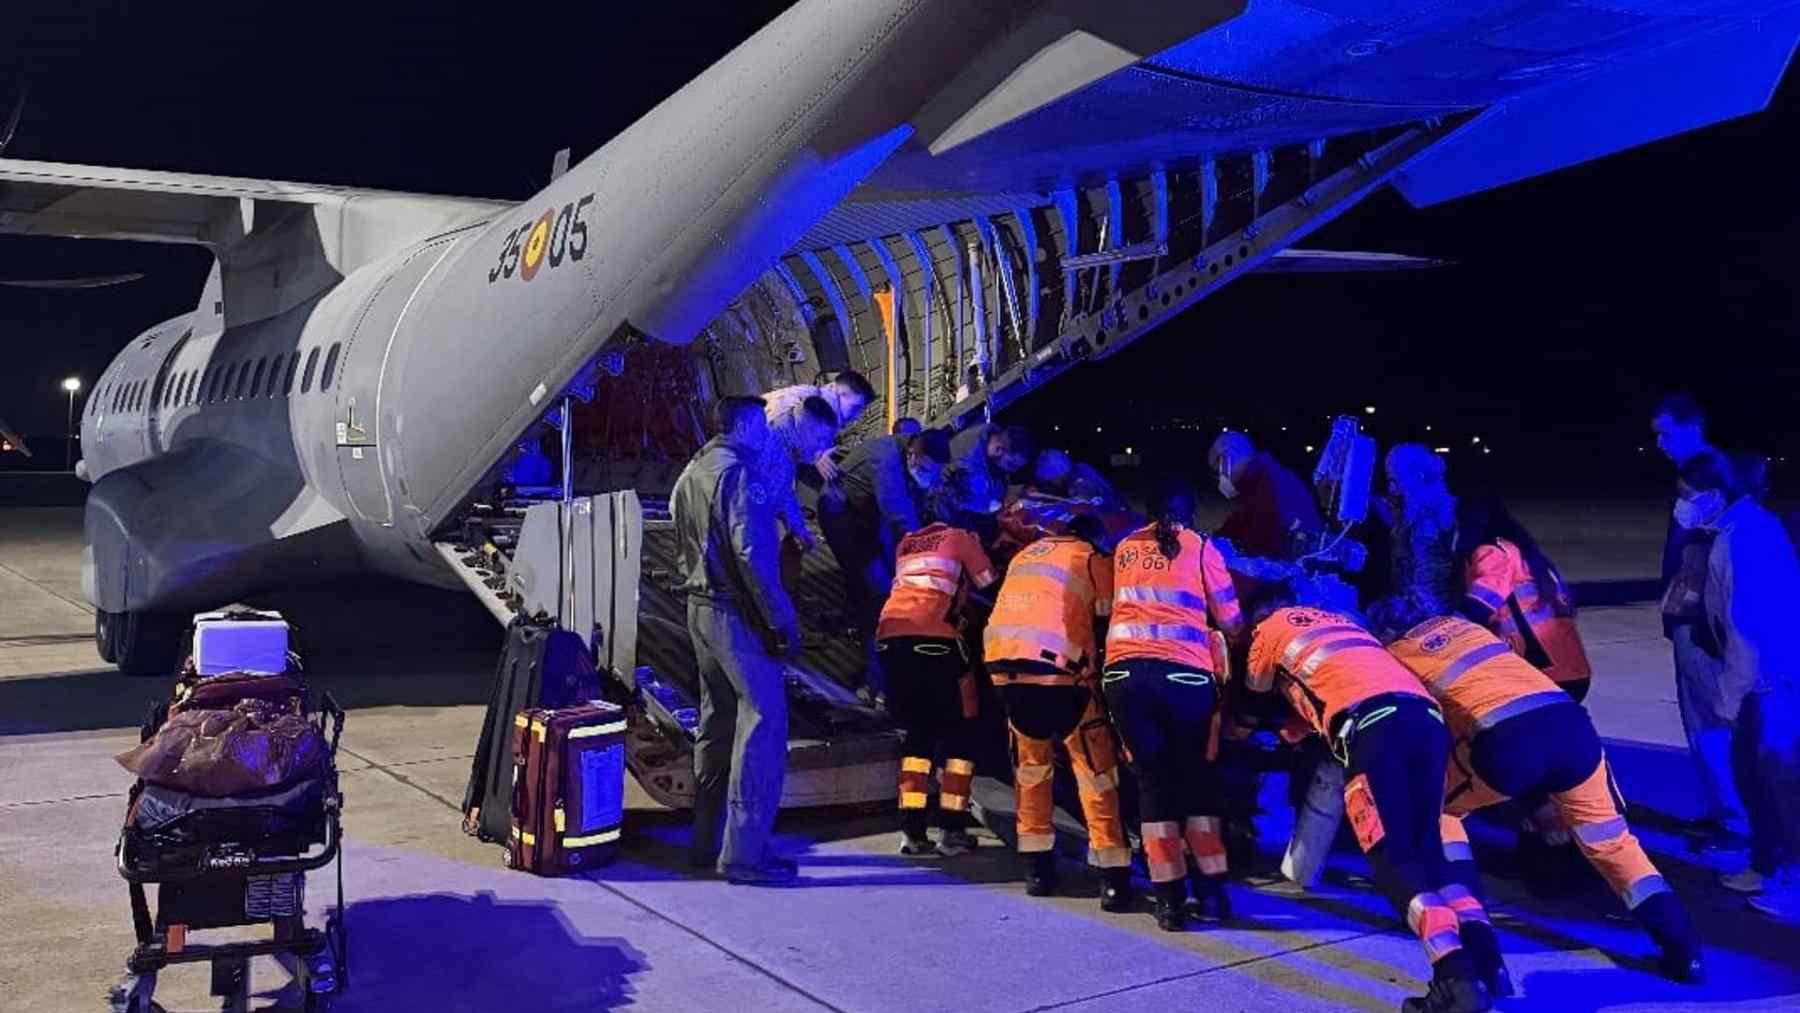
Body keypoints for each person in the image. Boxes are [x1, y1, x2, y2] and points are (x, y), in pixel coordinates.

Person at [1380, 608, 1703, 983]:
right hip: (1570, 726)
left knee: (1441, 814)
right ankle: (1685, 952)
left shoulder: (1394, 654)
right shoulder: (1465, 627)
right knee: (1614, 845)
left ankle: (1485, 961)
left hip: (1505, 740)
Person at [1246, 599, 1500, 1012]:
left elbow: (1253, 694)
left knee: (1393, 860)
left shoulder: (1270, 629)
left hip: (1373, 729)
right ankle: (1485, 963)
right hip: (1425, 721)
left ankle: (1456, 978)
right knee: (1429, 851)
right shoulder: (1345, 627)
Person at [669, 396, 803, 885]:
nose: (769, 434)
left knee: (717, 719)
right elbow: (754, 556)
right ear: (747, 424)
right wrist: (782, 619)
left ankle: (705, 842)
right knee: (763, 719)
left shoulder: (691, 472)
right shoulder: (739, 475)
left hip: (697, 609)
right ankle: (746, 855)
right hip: (733, 612)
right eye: (763, 425)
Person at [1102, 478, 1244, 931]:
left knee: (1152, 786)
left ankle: (1169, 902)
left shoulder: (1124, 547)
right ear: (1190, 514)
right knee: (1196, 781)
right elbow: (1231, 619)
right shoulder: (1201, 547)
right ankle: (1213, 891)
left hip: (1124, 677)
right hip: (1184, 676)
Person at [984, 515, 1132, 911]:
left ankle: (1037, 870)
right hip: (1063, 677)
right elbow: (1107, 618)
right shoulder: (1090, 557)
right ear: (1094, 538)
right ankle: (1113, 877)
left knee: (1031, 772)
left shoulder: (1026, 555)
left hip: (1005, 674)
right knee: (1095, 774)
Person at [1678, 453, 1800, 918]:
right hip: (1760, 681)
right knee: (1750, 775)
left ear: (1714, 493)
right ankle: (1766, 863)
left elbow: (1746, 626)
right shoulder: (1734, 531)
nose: (1682, 505)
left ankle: (1789, 876)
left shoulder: (1745, 537)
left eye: (1687, 495)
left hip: (1772, 682)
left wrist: (1729, 697)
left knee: (1777, 783)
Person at [1651, 394, 1747, 851]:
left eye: (1666, 432)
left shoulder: (1707, 475)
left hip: (1701, 622)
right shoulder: (1703, 473)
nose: (1660, 442)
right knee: (1705, 722)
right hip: (1690, 616)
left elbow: (1707, 560)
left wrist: (1695, 617)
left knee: (1710, 721)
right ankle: (1725, 810)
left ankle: (1735, 820)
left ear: (1693, 427)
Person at [875, 515, 1000, 857]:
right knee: (960, 739)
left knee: (917, 742)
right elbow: (990, 583)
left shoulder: (907, 542)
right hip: (937, 643)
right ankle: (952, 831)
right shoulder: (962, 536)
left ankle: (911, 832)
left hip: (891, 641)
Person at [817, 428, 951, 697]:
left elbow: (922, 500)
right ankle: (877, 682)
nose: (929, 476)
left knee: (882, 575)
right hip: (840, 513)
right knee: (874, 592)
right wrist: (927, 552)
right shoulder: (887, 461)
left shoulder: (913, 458)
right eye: (926, 469)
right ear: (913, 455)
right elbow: (898, 513)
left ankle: (858, 614)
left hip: (867, 513)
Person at [1455, 496, 1594, 702]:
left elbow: (1479, 606)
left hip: (1541, 673)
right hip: (1573, 670)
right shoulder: (1529, 555)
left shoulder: (1494, 552)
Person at [1371, 444, 1460, 620]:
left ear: (1418, 476)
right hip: (1413, 612)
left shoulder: (1448, 517)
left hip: (1440, 617)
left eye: (1395, 480)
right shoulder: (1406, 515)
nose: (1391, 489)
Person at [1209, 431, 1323, 563]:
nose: (1222, 478)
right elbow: (1244, 517)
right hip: (1290, 550)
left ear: (1229, 461)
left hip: (1298, 557)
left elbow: (1263, 532)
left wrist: (1232, 549)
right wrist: (1219, 536)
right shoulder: (1257, 476)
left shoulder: (1267, 478)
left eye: (1220, 471)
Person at [756, 395, 840, 552]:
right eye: (820, 439)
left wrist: (799, 529)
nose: (822, 449)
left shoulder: (786, 444)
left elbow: (784, 493)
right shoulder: (770, 444)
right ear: (804, 426)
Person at [764, 370, 877, 483]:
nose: (856, 416)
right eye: (854, 408)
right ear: (838, 391)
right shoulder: (814, 404)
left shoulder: (810, 393)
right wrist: (815, 454)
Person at [949, 422, 1034, 516]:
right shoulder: (969, 468)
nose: (1012, 471)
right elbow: (981, 507)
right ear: (998, 449)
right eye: (1011, 465)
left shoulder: (990, 437)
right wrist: (1003, 502)